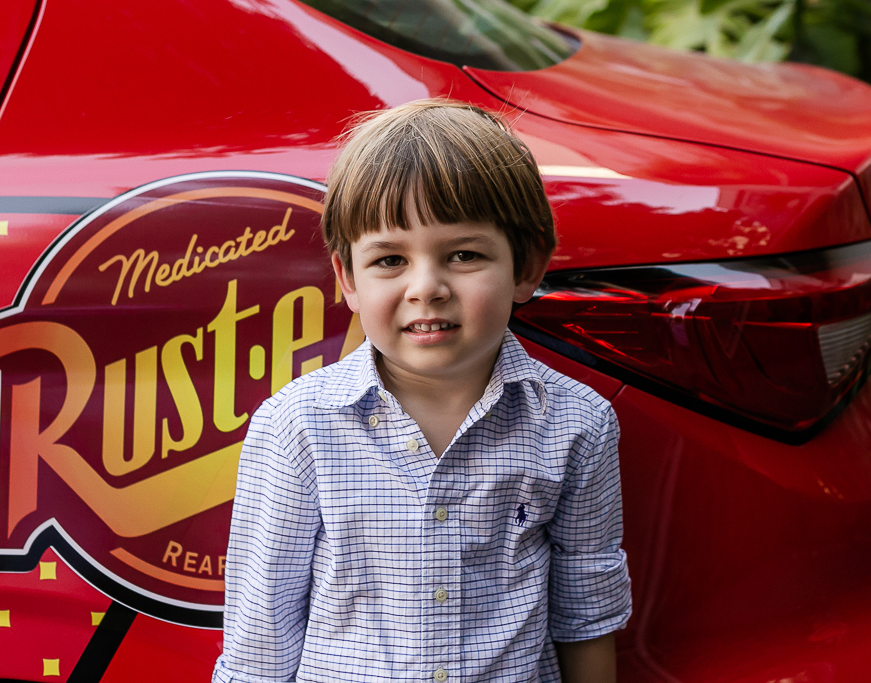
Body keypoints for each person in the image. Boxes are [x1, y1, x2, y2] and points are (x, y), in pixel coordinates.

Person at [212, 99, 631, 683]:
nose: (426, 288)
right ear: (348, 280)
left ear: (528, 266)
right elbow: (261, 637)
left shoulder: (577, 424)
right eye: (389, 259)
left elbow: (586, 613)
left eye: (463, 255)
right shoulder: (297, 426)